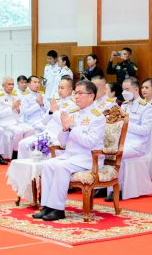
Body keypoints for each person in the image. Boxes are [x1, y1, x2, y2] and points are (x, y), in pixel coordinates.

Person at [33, 80, 107, 221]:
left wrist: (72, 127)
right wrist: (65, 129)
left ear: (91, 96)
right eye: (75, 93)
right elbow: (63, 142)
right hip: (71, 155)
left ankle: (58, 209)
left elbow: (90, 142)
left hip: (88, 157)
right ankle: (47, 206)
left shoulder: (98, 117)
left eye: (80, 93)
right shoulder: (73, 113)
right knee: (48, 164)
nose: (76, 96)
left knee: (61, 167)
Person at [106, 77, 152, 202]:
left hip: (137, 144)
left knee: (118, 154)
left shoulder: (146, 107)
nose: (124, 92)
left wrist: (126, 124)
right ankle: (107, 186)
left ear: (136, 90)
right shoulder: (124, 105)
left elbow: (145, 130)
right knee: (106, 152)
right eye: (123, 89)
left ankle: (118, 189)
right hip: (122, 141)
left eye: (127, 89)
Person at [0, 77, 35, 158]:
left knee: (30, 129)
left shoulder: (15, 96)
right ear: (3, 85)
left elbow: (21, 112)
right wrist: (12, 107)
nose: (11, 86)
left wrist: (18, 109)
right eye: (9, 84)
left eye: (12, 84)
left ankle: (26, 152)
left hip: (15, 121)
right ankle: (15, 153)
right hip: (5, 122)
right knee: (19, 131)